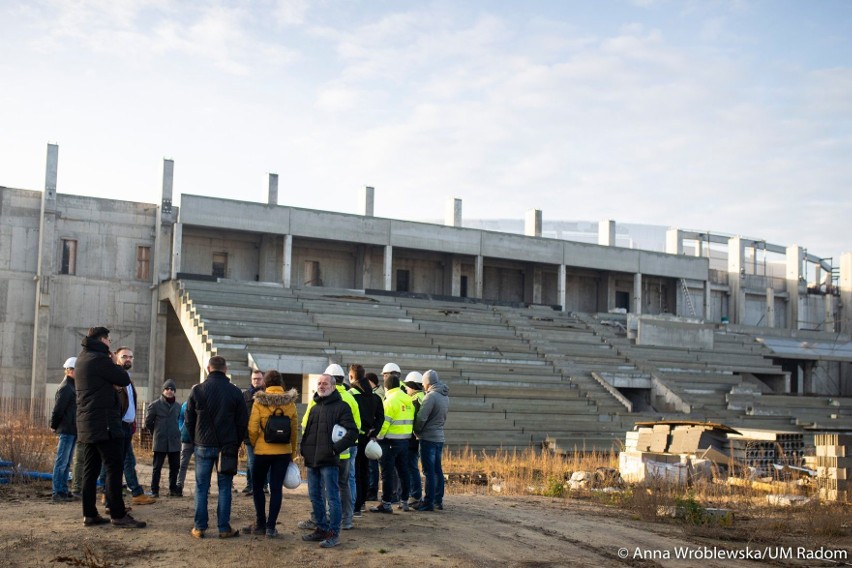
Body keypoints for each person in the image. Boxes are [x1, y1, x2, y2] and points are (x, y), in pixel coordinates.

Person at [75, 326, 146, 528]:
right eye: (109, 340)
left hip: (88, 424)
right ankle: (118, 514)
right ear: (102, 340)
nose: (110, 343)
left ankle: (89, 514)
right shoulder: (100, 359)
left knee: (90, 470)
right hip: (104, 423)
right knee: (114, 468)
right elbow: (123, 378)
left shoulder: (82, 358)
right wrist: (112, 361)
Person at [185, 355, 248, 539]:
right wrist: (235, 443)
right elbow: (242, 421)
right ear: (225, 370)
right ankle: (223, 528)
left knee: (201, 487)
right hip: (227, 447)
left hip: (202, 445)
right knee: (225, 487)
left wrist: (195, 439)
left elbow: (189, 420)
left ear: (208, 369)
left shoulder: (197, 391)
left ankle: (199, 527)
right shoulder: (235, 392)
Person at [297, 364, 361, 531]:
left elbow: (353, 431)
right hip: (332, 454)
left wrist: (332, 449)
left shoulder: (337, 404)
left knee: (329, 494)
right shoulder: (348, 399)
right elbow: (357, 427)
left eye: (325, 383)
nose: (321, 386)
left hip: (330, 455)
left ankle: (330, 527)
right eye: (319, 383)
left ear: (333, 385)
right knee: (340, 487)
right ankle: (342, 521)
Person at [242, 370, 298, 538]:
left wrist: (255, 443)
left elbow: (252, 428)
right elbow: (294, 431)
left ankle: (260, 523)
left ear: (265, 383)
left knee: (258, 487)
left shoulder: (259, 401)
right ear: (281, 383)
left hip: (262, 451)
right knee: (276, 489)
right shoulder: (290, 402)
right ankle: (271, 527)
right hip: (282, 452)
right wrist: (292, 452)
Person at [104, 347, 156, 508]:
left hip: (127, 427)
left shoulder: (126, 378)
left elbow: (129, 403)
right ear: (116, 358)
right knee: (118, 463)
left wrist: (132, 422)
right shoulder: (114, 378)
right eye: (124, 356)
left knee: (125, 461)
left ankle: (115, 495)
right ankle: (124, 495)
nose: (128, 359)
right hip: (118, 427)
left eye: (131, 357)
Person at [370, 363, 413, 514]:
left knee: (387, 473)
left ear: (387, 387)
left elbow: (384, 423)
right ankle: (404, 501)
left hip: (389, 442)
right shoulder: (408, 400)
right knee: (403, 471)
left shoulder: (389, 401)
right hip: (404, 441)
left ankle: (386, 503)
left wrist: (376, 437)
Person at [349, 364, 384, 518]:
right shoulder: (375, 397)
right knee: (364, 471)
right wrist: (374, 432)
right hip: (368, 439)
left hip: (354, 438)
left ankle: (355, 506)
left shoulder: (351, 395)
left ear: (351, 377)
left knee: (354, 472)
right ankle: (361, 503)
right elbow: (381, 418)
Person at [414, 370, 449, 512]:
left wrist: (416, 430)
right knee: (437, 470)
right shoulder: (445, 396)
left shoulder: (431, 397)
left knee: (429, 471)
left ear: (427, 383)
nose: (422, 386)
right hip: (439, 437)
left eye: (423, 383)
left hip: (428, 437)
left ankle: (428, 502)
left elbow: (422, 417)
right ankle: (437, 500)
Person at [144, 379, 182, 498]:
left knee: (175, 467)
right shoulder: (155, 405)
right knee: (157, 467)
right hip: (160, 440)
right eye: (167, 389)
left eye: (172, 389)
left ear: (174, 391)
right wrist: (156, 433)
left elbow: (180, 421)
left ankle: (172, 489)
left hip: (174, 441)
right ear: (163, 390)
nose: (169, 391)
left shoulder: (178, 406)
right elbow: (148, 422)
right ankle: (154, 490)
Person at [50, 357, 78, 502]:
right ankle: (57, 492)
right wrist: (53, 425)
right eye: (74, 369)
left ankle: (63, 490)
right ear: (68, 370)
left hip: (72, 430)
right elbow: (58, 410)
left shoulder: (72, 386)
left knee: (66, 462)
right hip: (66, 429)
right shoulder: (66, 387)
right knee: (61, 462)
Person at [403, 371, 425, 508]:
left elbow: (414, 420)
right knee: (412, 467)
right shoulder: (423, 396)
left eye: (407, 386)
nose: (406, 389)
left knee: (411, 467)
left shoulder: (415, 399)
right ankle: (414, 494)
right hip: (417, 438)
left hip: (412, 438)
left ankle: (415, 495)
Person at [241, 368, 265, 496]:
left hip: (264, 435)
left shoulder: (267, 395)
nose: (256, 381)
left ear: (263, 380)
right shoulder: (245, 395)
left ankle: (262, 485)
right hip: (249, 434)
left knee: (263, 461)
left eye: (259, 379)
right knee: (251, 461)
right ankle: (251, 485)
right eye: (254, 379)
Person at [365, 371, 384, 501]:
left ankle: (372, 491)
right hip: (376, 432)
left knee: (372, 465)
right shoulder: (378, 393)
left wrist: (374, 432)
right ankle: (371, 490)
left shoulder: (377, 395)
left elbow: (379, 416)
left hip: (374, 434)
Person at [176, 395, 193, 496]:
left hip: (200, 440)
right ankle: (179, 486)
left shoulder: (204, 404)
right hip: (186, 439)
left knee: (202, 465)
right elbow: (180, 418)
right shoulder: (185, 405)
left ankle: (206, 487)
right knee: (183, 464)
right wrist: (181, 428)